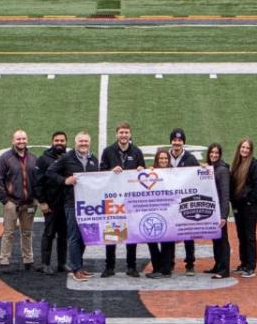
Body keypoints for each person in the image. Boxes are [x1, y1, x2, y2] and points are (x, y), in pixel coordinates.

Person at [48, 131, 100, 282]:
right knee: (74, 236)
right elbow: (50, 172)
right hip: (72, 203)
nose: (83, 144)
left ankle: (79, 267)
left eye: (86, 141)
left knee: (85, 236)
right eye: (81, 141)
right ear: (76, 143)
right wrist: (65, 180)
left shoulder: (93, 159)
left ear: (89, 143)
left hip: (89, 205)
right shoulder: (67, 158)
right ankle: (75, 268)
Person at [100, 121, 146, 278]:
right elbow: (100, 174)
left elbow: (144, 176)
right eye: (121, 132)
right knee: (113, 233)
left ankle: (131, 267)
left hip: (132, 201)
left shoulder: (137, 152)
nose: (124, 135)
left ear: (130, 134)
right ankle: (110, 267)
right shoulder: (108, 151)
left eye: (126, 132)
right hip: (114, 200)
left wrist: (141, 171)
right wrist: (110, 171)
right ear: (116, 134)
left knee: (131, 234)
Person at [0, 129, 39, 272]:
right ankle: (4, 260)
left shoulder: (33, 158)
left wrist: (36, 198)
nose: (21, 141)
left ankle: (28, 260)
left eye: (23, 139)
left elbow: (37, 180)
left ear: (27, 140)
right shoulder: (5, 158)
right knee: (9, 232)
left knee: (27, 232)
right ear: (13, 141)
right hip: (12, 202)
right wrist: (5, 200)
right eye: (18, 139)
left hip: (29, 202)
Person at [166, 128, 200, 275]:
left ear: (183, 143)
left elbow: (199, 178)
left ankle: (190, 263)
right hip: (168, 203)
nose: (177, 143)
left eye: (179, 141)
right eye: (174, 140)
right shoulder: (164, 157)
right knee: (169, 233)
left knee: (188, 233)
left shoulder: (191, 159)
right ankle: (170, 261)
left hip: (185, 202)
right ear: (171, 142)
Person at [35, 131, 69, 275]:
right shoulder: (43, 159)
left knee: (64, 235)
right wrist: (42, 202)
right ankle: (45, 264)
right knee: (49, 234)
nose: (59, 143)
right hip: (51, 203)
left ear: (66, 142)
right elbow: (37, 183)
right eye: (57, 140)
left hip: (66, 203)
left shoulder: (70, 158)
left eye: (62, 140)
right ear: (52, 142)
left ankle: (62, 263)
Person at [229, 137, 257, 278]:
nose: (244, 150)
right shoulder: (235, 164)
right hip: (238, 206)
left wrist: (249, 200)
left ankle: (251, 266)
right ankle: (243, 263)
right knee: (241, 235)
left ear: (250, 150)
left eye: (247, 148)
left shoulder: (254, 164)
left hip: (250, 206)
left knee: (249, 235)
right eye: (243, 147)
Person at [144, 150, 175, 279]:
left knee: (167, 241)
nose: (163, 161)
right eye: (161, 158)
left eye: (165, 158)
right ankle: (158, 267)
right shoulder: (151, 173)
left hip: (169, 211)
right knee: (151, 239)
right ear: (157, 159)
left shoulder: (174, 173)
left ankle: (166, 269)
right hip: (154, 211)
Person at [205, 143, 232, 279]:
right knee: (216, 239)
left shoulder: (222, 170)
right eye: (211, 152)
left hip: (219, 212)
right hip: (212, 210)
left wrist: (223, 216)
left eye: (216, 153)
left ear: (220, 154)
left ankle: (224, 269)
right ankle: (218, 265)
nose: (213, 155)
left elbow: (225, 194)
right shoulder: (210, 168)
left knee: (222, 240)